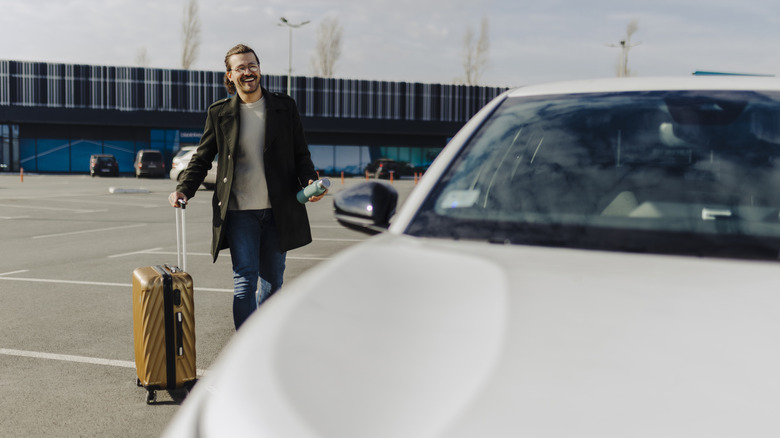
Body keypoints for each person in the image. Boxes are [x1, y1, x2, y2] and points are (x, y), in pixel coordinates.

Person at [168, 43, 326, 329]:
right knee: (244, 281)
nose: (248, 71)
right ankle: (244, 344)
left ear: (260, 69)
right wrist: (184, 189)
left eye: (252, 65)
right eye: (240, 68)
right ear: (230, 76)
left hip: (279, 212)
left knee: (272, 282)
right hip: (239, 213)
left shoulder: (283, 107)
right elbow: (202, 158)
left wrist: (310, 182)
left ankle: (262, 337)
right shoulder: (220, 113)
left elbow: (301, 154)